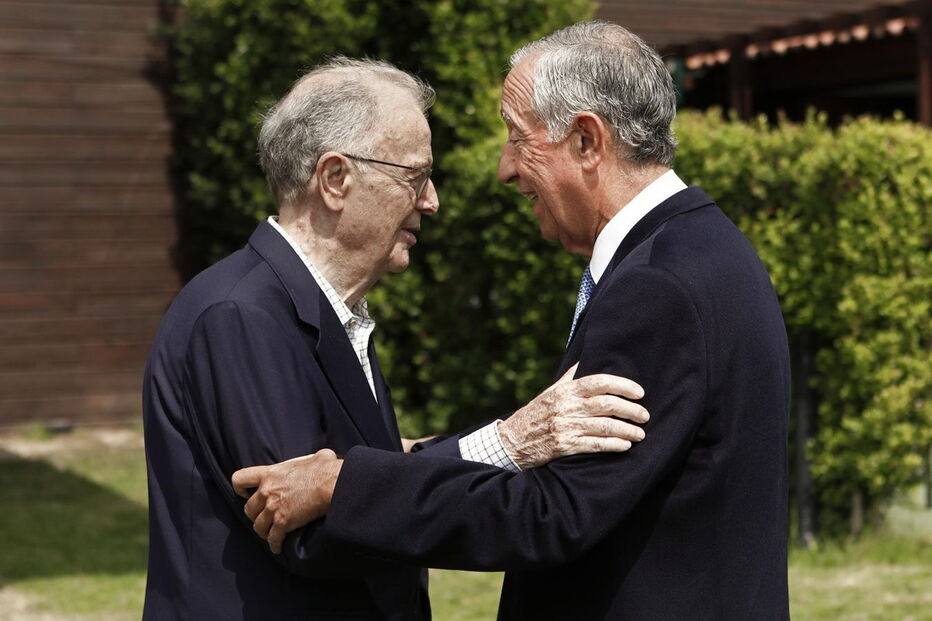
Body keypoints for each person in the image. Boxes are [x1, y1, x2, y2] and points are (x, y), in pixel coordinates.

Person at [234, 20, 791, 620]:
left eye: (517, 138)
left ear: (586, 141)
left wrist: (343, 486)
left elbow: (550, 516)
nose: (503, 169)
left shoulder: (658, 286)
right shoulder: (705, 248)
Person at [142, 57, 649, 620]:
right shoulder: (240, 314)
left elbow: (364, 470)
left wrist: (506, 442)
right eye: (414, 176)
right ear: (336, 179)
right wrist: (506, 445)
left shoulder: (329, 309)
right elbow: (309, 530)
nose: (432, 200)